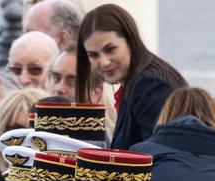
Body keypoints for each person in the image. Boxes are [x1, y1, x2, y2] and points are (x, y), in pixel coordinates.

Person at [75, 3, 187, 150]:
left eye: (110, 49)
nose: (104, 62)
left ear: (131, 40)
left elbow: (158, 155)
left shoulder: (150, 84)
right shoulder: (140, 80)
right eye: (93, 55)